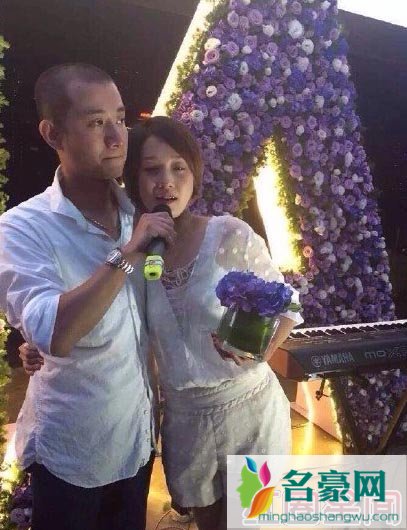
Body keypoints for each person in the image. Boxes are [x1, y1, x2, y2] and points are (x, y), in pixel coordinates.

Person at [20, 115, 303, 530]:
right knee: (210, 524)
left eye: (178, 168)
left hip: (250, 409)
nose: (166, 182)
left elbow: (287, 305)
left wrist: (261, 351)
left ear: (194, 175)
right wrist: (36, 343)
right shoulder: (130, 252)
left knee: (255, 521)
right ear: (134, 179)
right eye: (152, 170)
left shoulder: (228, 234)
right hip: (185, 419)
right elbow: (106, 315)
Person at [0, 64, 175, 530]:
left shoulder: (140, 212)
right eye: (97, 122)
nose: (117, 137)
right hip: (73, 456)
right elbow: (55, 333)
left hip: (138, 442)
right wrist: (128, 253)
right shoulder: (22, 228)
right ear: (52, 133)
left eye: (120, 118)